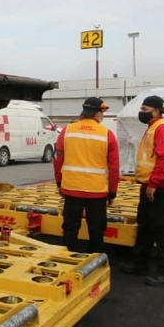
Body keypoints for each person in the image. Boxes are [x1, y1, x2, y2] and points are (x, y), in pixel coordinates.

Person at [119, 95, 164, 286]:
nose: (141, 113)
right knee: (144, 226)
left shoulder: (162, 129)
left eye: (145, 110)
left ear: (156, 111)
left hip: (160, 187)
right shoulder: (152, 128)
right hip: (149, 186)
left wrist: (153, 185)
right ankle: (140, 264)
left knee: (161, 230)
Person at [53, 97, 120, 256]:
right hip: (97, 192)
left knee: (70, 227)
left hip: (71, 188)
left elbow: (58, 161)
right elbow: (114, 168)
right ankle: (95, 259)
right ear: (97, 114)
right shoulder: (107, 134)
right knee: (96, 229)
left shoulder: (67, 131)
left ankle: (68, 259)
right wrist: (112, 192)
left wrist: (59, 183)